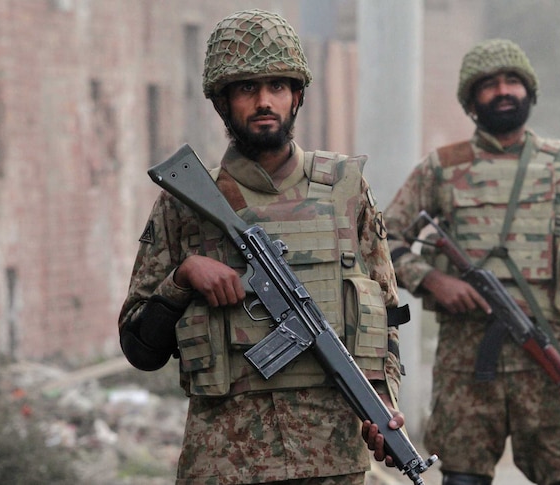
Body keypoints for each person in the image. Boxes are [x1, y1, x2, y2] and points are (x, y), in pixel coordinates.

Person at [118, 9, 406, 485]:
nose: (264, 101)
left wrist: (384, 403)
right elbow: (138, 346)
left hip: (330, 462)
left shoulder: (346, 190)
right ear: (222, 102)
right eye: (247, 88)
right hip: (224, 464)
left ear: (298, 96)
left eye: (277, 86)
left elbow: (386, 314)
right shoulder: (185, 204)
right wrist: (183, 277)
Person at [383, 39, 560, 485]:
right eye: (489, 85)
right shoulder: (441, 169)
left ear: (529, 91)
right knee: (463, 477)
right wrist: (432, 279)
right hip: (466, 365)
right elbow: (380, 241)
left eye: (513, 81)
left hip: (552, 361)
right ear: (472, 102)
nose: (504, 91)